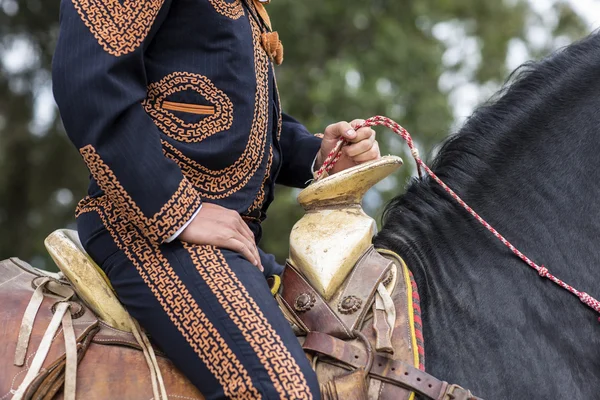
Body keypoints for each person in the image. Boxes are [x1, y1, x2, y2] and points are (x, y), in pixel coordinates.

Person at [52, 0, 380, 398]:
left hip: (232, 245)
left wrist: (319, 156)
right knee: (281, 390)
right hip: (146, 232)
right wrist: (178, 212)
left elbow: (233, 117)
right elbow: (90, 83)